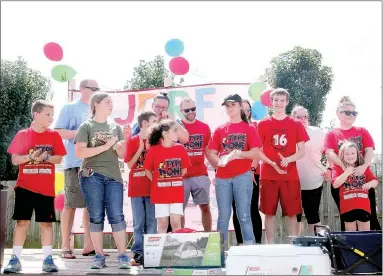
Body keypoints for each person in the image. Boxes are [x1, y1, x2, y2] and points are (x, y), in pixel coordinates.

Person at [4, 100, 67, 273]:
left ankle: (48, 259)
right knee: (21, 222)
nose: (51, 118)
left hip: (46, 188)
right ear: (36, 115)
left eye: (52, 115)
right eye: (48, 114)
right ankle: (15, 259)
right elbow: (15, 159)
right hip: (24, 186)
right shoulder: (23, 134)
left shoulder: (54, 135)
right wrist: (30, 156)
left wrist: (46, 158)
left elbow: (59, 158)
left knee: (46, 224)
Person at [75, 92, 132, 270]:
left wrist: (126, 141)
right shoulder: (86, 126)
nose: (111, 104)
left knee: (117, 215)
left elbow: (122, 155)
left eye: (112, 102)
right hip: (92, 175)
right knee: (96, 216)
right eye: (108, 101)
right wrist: (105, 146)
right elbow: (80, 153)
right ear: (96, 104)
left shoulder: (116, 127)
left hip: (114, 176)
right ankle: (99, 256)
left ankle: (123, 255)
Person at [208, 94, 262, 248]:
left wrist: (240, 154)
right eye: (227, 106)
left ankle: (249, 247)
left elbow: (256, 152)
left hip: (242, 176)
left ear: (240, 106)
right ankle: (219, 251)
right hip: (222, 178)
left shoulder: (249, 128)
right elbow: (211, 152)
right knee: (223, 216)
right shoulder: (220, 129)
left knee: (244, 215)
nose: (230, 108)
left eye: (233, 105)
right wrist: (220, 162)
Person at [131, 92, 189, 233]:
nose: (161, 110)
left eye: (164, 107)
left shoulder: (173, 123)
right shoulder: (144, 121)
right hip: (149, 183)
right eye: (158, 107)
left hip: (172, 186)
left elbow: (185, 138)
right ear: (152, 106)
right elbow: (133, 141)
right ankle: (149, 251)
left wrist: (171, 121)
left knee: (175, 221)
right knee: (154, 222)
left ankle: (175, 249)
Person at [257, 88, 309, 244]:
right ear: (271, 102)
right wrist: (272, 163)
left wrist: (288, 159)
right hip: (268, 175)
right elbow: (258, 151)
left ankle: (293, 244)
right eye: (276, 100)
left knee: (292, 214)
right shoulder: (263, 123)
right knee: (269, 213)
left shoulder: (296, 124)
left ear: (287, 102)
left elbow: (301, 151)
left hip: (290, 176)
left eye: (282, 100)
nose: (279, 103)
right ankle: (270, 246)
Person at [55, 79, 99, 259]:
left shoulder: (98, 109)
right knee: (71, 205)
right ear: (82, 89)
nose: (96, 91)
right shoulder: (70, 107)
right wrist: (82, 133)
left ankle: (89, 245)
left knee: (92, 206)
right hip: (75, 163)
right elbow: (58, 131)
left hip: (95, 163)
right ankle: (65, 245)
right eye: (93, 88)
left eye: (98, 89)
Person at [324, 96, 381, 231]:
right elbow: (329, 153)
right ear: (338, 113)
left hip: (362, 180)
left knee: (369, 216)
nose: (351, 115)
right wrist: (344, 167)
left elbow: (369, 150)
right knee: (347, 218)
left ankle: (373, 250)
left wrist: (363, 166)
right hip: (342, 181)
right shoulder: (332, 134)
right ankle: (348, 250)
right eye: (347, 112)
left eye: (354, 113)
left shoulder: (362, 131)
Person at [144, 119, 191, 233]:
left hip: (176, 192)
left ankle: (177, 249)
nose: (177, 133)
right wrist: (157, 182)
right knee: (163, 223)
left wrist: (173, 179)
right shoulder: (154, 150)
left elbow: (184, 169)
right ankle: (161, 250)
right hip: (160, 194)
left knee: (176, 223)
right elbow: (147, 171)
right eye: (175, 131)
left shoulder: (180, 148)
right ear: (165, 134)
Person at [124, 111, 158, 266]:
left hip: (152, 188)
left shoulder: (157, 141)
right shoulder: (132, 141)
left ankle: (151, 251)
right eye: (154, 121)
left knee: (152, 221)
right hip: (136, 188)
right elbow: (130, 165)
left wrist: (150, 148)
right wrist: (140, 149)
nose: (156, 124)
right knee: (138, 222)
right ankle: (138, 252)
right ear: (145, 124)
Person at [292, 105, 331, 236]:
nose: (302, 119)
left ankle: (317, 245)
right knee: (294, 215)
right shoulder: (288, 133)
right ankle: (294, 244)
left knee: (312, 214)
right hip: (293, 181)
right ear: (293, 118)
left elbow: (330, 151)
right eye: (299, 117)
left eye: (305, 117)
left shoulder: (318, 133)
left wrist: (330, 168)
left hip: (314, 181)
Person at [177, 98, 212, 232]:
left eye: (193, 109)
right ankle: (181, 238)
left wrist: (218, 168)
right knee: (179, 210)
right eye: (187, 110)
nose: (191, 112)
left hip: (200, 173)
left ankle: (208, 237)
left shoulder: (204, 127)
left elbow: (209, 151)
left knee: (205, 207)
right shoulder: (176, 128)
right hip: (181, 175)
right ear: (181, 111)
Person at [232, 99, 263, 244]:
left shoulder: (255, 127)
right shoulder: (230, 127)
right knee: (237, 210)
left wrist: (251, 169)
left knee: (252, 210)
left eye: (248, 109)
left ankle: (257, 243)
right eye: (243, 109)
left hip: (252, 174)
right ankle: (240, 243)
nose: (245, 112)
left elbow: (258, 151)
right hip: (232, 175)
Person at [331, 142, 378, 231]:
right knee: (351, 236)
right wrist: (346, 173)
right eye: (347, 154)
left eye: (353, 153)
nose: (350, 156)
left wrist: (369, 184)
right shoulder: (338, 168)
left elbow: (375, 181)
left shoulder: (363, 167)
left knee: (364, 236)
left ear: (357, 154)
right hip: (347, 207)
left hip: (363, 206)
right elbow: (335, 185)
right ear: (342, 155)